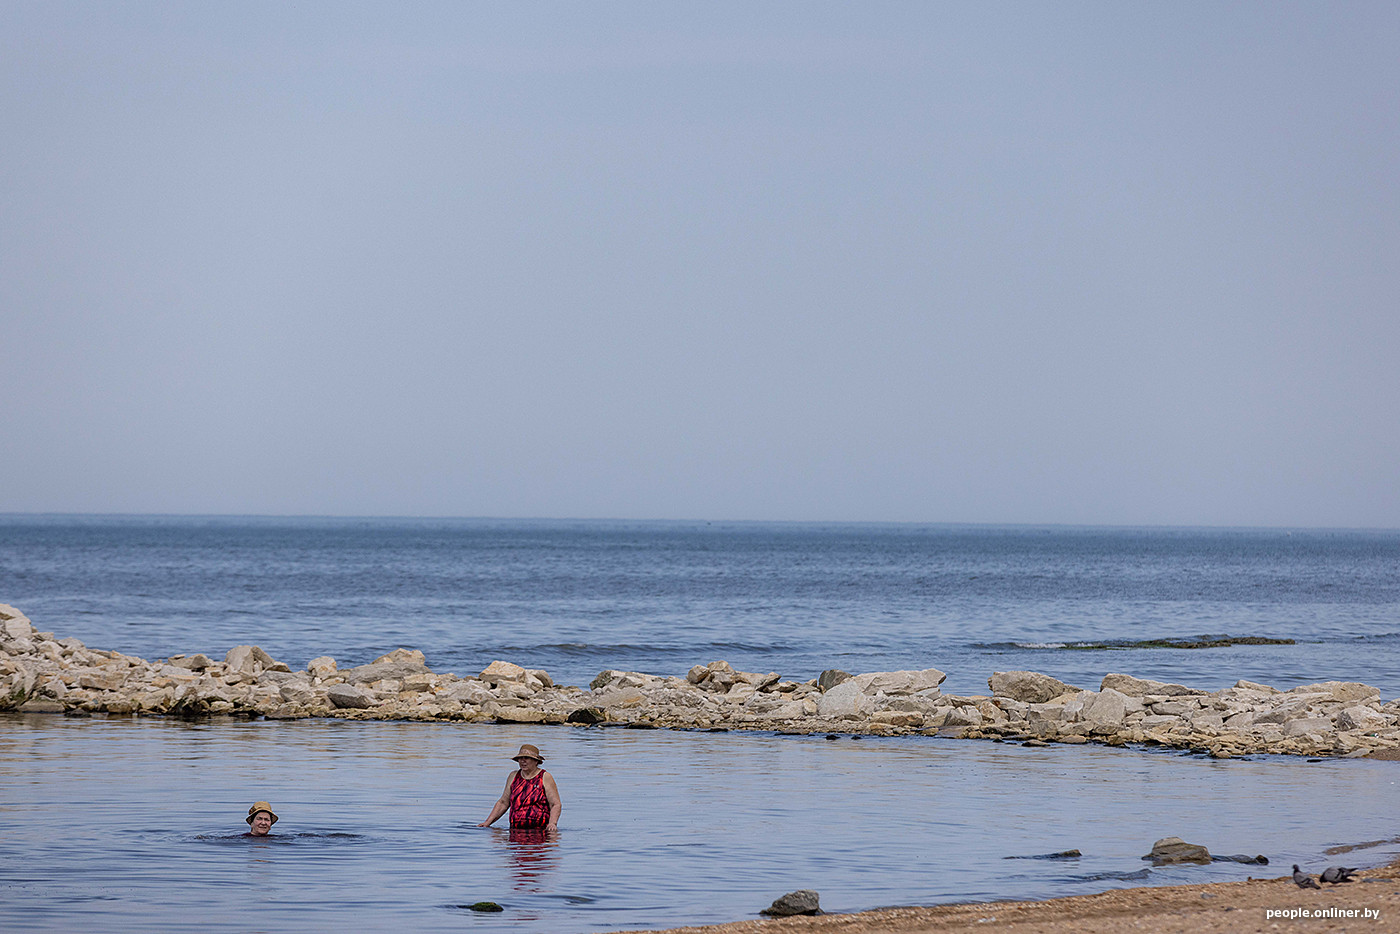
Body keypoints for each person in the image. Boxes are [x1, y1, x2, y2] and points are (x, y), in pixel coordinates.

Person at [478, 744, 560, 833]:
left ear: (536, 761)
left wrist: (552, 823)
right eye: (520, 758)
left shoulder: (545, 777)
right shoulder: (513, 776)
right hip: (515, 831)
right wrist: (487, 823)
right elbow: (503, 803)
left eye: (527, 758)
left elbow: (555, 804)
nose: (523, 761)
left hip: (540, 832)